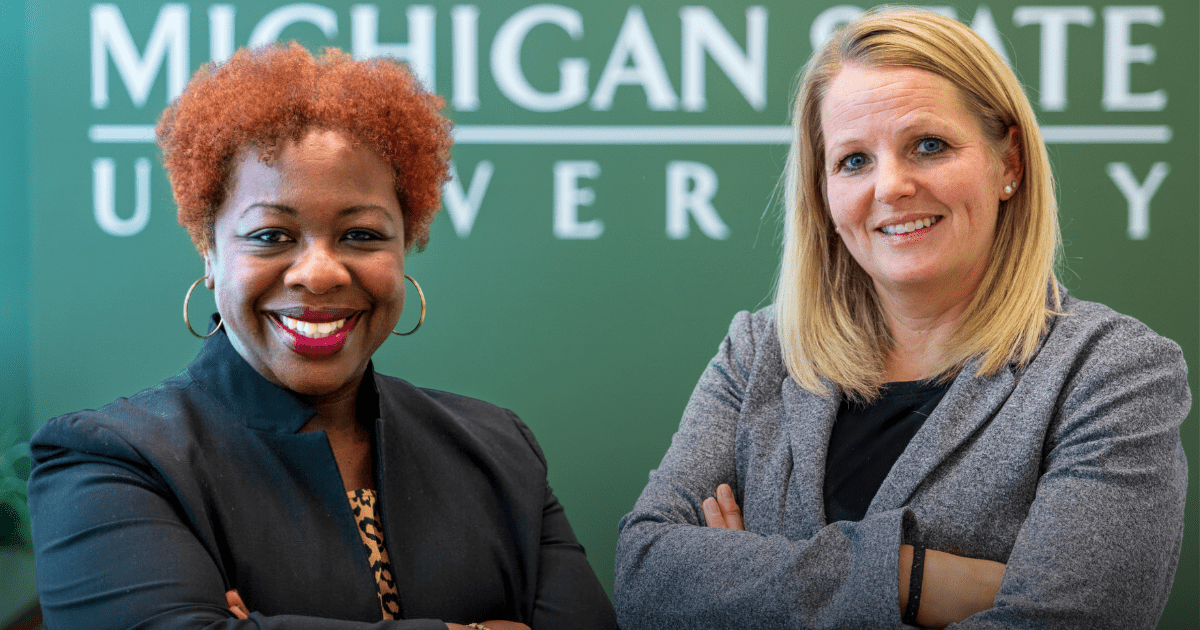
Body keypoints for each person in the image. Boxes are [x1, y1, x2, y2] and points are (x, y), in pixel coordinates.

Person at [614, 9, 1188, 630]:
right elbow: (646, 575)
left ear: (1009, 164)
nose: (890, 187)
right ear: (824, 191)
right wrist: (910, 579)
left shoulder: (1111, 372)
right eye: (854, 161)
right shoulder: (759, 352)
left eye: (929, 146)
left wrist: (750, 579)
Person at [28, 43, 618, 630]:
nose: (319, 272)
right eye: (270, 235)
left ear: (406, 243)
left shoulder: (499, 451)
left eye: (361, 235)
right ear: (208, 251)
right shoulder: (111, 462)